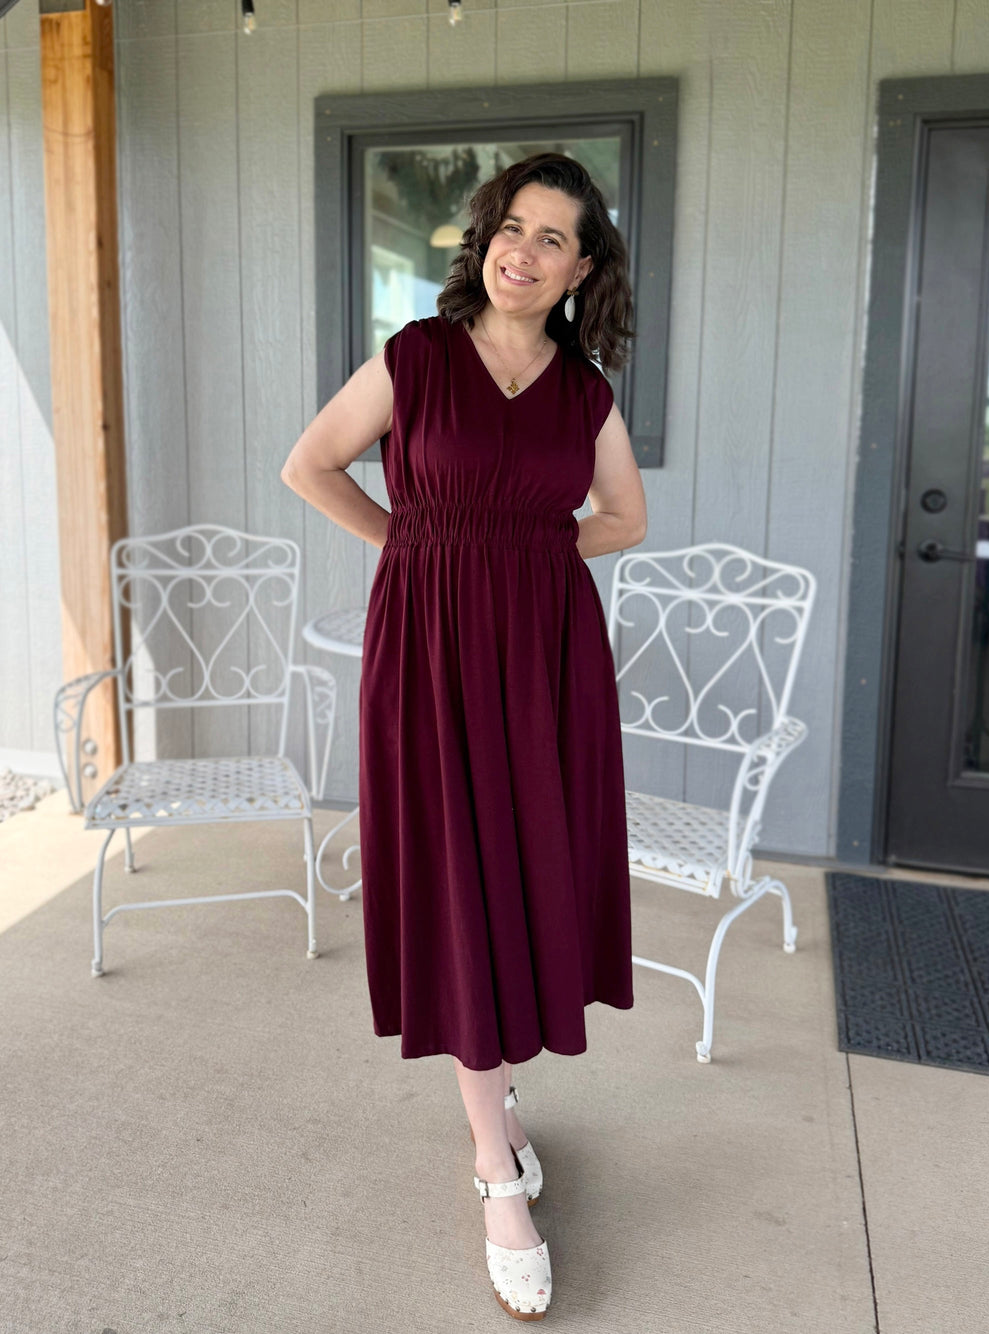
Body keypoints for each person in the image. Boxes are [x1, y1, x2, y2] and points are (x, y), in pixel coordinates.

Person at [281, 152, 646, 1321]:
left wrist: (527, 552)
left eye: (553, 239)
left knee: (525, 873)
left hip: (543, 657)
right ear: (485, 237)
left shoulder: (584, 391)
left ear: (580, 270)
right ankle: (495, 1161)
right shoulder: (416, 358)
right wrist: (415, 542)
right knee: (455, 878)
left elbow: (625, 517)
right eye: (512, 227)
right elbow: (309, 464)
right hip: (429, 648)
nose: (523, 251)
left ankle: (499, 1105)